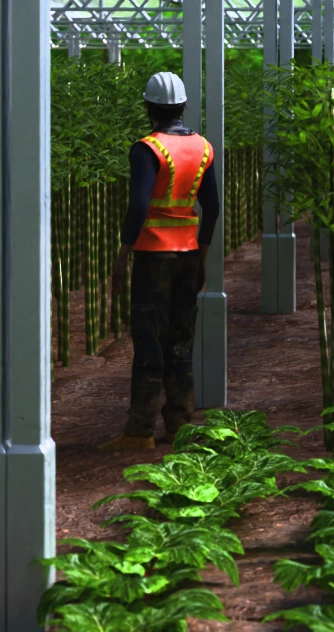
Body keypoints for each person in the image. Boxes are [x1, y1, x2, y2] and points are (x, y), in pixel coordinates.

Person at [100, 72, 221, 451]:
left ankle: (139, 432)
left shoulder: (146, 149)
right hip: (187, 256)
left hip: (153, 259)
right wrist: (202, 257)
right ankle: (179, 426)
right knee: (181, 341)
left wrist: (122, 257)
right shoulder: (203, 147)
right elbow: (212, 208)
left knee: (149, 341)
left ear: (148, 107)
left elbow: (138, 208)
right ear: (183, 105)